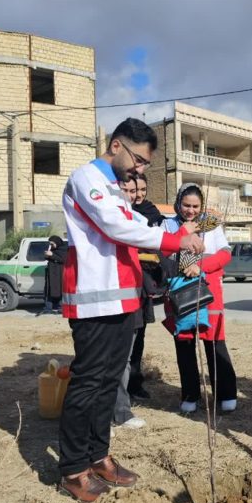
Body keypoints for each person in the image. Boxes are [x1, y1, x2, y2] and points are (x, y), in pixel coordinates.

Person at [58, 117, 203, 503]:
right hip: (93, 298)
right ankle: (73, 468)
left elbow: (134, 221)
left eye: (145, 165)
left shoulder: (113, 187)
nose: (140, 170)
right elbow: (115, 226)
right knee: (88, 381)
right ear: (117, 145)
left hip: (122, 298)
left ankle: (97, 454)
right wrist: (175, 239)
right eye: (139, 160)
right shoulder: (86, 178)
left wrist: (183, 237)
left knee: (109, 382)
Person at [160, 183, 238, 414]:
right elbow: (162, 252)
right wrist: (183, 232)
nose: (191, 211)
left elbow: (225, 254)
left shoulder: (211, 225)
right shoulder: (168, 224)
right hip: (179, 289)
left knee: (215, 343)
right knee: (184, 344)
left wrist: (201, 266)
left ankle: (226, 393)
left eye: (195, 206)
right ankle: (190, 395)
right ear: (178, 203)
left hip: (209, 290)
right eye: (186, 205)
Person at [110, 177, 147, 431]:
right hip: (110, 301)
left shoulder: (139, 217)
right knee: (111, 360)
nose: (133, 195)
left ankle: (120, 411)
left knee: (125, 358)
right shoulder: (109, 218)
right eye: (128, 189)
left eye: (137, 190)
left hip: (133, 297)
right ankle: (111, 414)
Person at [128, 173, 165, 400]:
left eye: (142, 189)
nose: (138, 194)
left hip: (144, 283)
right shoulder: (120, 213)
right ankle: (120, 387)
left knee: (139, 335)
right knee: (124, 336)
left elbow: (159, 243)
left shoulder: (152, 213)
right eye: (133, 190)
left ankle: (135, 382)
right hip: (124, 279)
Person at [43, 235, 67, 313]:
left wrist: (52, 255)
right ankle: (48, 308)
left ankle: (61, 308)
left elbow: (63, 259)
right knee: (50, 290)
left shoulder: (64, 249)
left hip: (60, 274)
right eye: (50, 244)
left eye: (52, 244)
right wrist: (47, 255)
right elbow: (50, 258)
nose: (51, 246)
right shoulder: (52, 249)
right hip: (52, 274)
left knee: (60, 290)